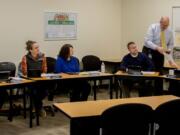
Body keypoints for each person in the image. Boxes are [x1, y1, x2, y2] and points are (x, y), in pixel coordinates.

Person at [144, 16, 178, 95]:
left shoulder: (169, 31)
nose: (165, 27)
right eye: (164, 25)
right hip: (149, 50)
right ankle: (146, 94)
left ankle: (158, 95)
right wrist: (157, 47)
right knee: (148, 72)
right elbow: (147, 41)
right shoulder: (153, 27)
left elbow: (170, 44)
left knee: (159, 72)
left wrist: (170, 59)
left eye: (167, 25)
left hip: (160, 51)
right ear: (160, 22)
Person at [21, 40, 47, 116]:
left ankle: (35, 107)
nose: (38, 49)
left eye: (38, 47)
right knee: (34, 90)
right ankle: (39, 107)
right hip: (30, 81)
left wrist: (42, 74)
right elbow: (24, 72)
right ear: (30, 50)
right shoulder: (25, 58)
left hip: (41, 80)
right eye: (36, 48)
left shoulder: (42, 56)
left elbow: (44, 70)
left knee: (44, 90)